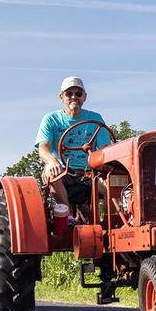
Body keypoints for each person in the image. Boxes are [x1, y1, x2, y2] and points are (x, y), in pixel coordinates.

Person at [36, 76, 112, 213]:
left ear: (85, 97)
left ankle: (110, 223)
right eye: (69, 93)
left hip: (89, 173)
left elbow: (104, 150)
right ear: (61, 97)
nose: (73, 97)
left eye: (78, 93)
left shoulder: (95, 119)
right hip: (64, 171)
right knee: (50, 171)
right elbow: (43, 148)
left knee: (113, 183)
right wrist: (52, 161)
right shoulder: (51, 119)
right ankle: (68, 216)